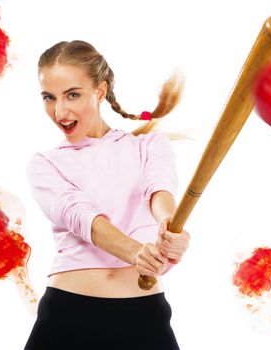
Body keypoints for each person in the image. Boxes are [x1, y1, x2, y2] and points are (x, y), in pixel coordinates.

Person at [24, 40, 190, 350]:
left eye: (73, 94)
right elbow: (82, 216)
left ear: (100, 91)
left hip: (143, 316)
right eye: (50, 98)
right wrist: (134, 251)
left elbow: (160, 192)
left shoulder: (149, 146)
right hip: (67, 315)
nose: (60, 111)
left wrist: (169, 228)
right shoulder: (44, 164)